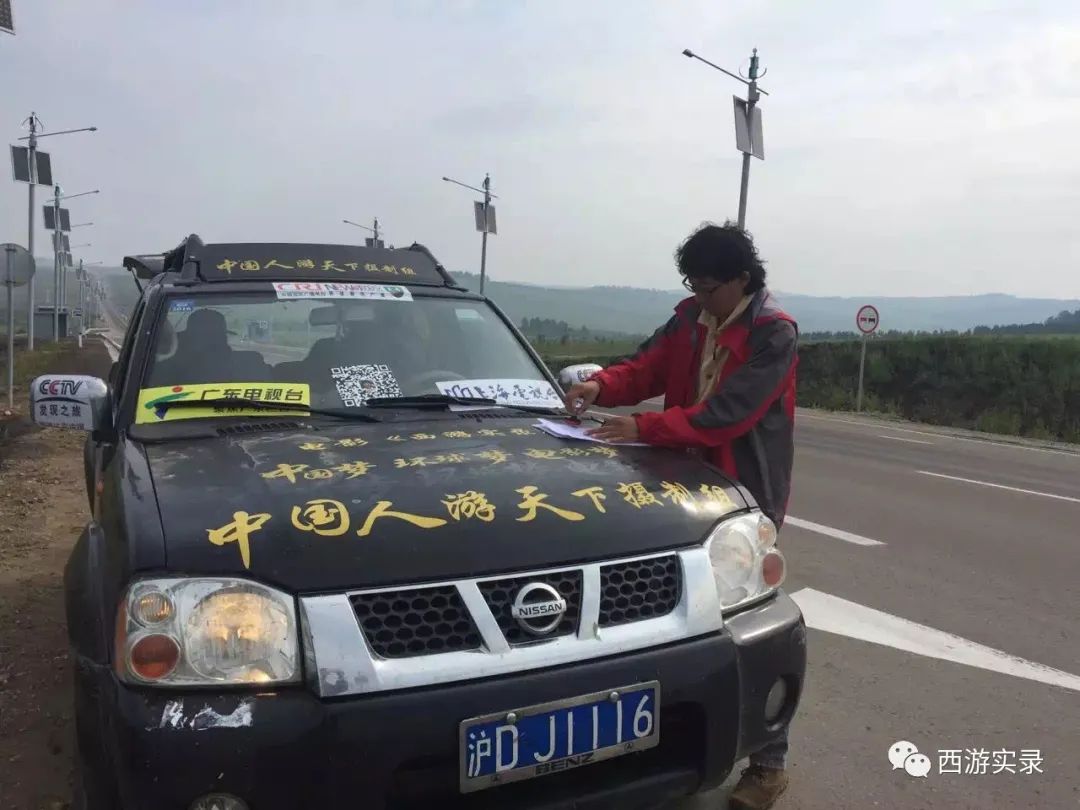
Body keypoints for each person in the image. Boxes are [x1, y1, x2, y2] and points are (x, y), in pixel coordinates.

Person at [563, 221, 798, 810]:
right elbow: (644, 368)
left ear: (742, 279)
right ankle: (671, 738)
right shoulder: (691, 317)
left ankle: (768, 764)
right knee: (675, 618)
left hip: (741, 494)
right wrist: (600, 386)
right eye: (691, 283)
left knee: (744, 623)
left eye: (709, 286)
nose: (699, 296)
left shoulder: (774, 334)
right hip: (679, 484)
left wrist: (644, 426)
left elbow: (727, 413)